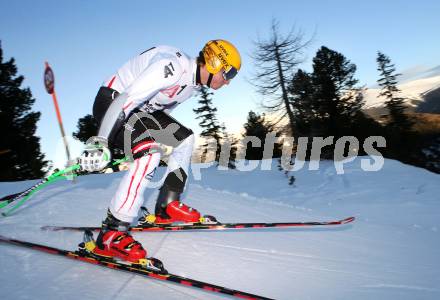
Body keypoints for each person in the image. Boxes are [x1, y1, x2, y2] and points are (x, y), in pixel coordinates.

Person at [79, 40, 241, 264]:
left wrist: (154, 136)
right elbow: (127, 99)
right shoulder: (171, 67)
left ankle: (167, 205)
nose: (229, 81)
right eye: (229, 73)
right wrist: (100, 141)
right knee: (150, 153)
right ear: (214, 63)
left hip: (139, 111)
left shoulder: (192, 86)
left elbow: (156, 114)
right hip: (113, 102)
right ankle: (111, 233)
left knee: (184, 139)